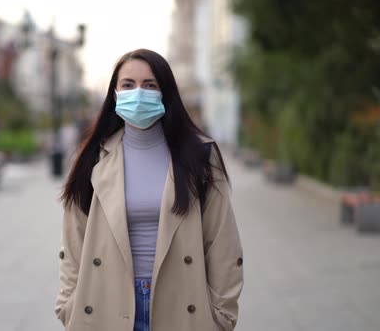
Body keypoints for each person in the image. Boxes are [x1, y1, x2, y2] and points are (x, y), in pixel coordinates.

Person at [55, 49, 244, 331]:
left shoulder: (200, 155)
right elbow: (74, 242)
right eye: (128, 85)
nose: (138, 93)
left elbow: (222, 241)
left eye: (150, 85)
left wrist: (220, 317)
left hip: (182, 306)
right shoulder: (93, 156)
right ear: (115, 93)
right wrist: (69, 304)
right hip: (105, 303)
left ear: (165, 93)